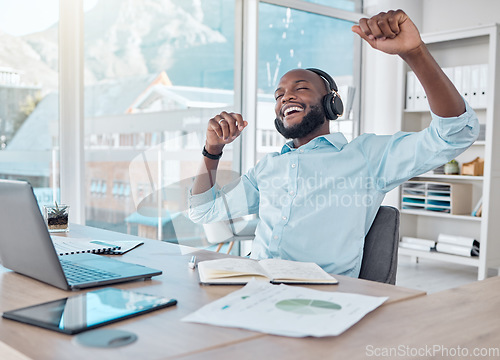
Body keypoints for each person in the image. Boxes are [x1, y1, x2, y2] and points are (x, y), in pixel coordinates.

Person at [188, 10, 479, 277]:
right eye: (278, 96)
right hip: (255, 284)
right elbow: (203, 210)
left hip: (319, 295)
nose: (286, 98)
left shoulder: (365, 157)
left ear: (331, 103)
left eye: (300, 89)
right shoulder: (267, 168)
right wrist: (212, 150)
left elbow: (454, 134)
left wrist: (415, 54)